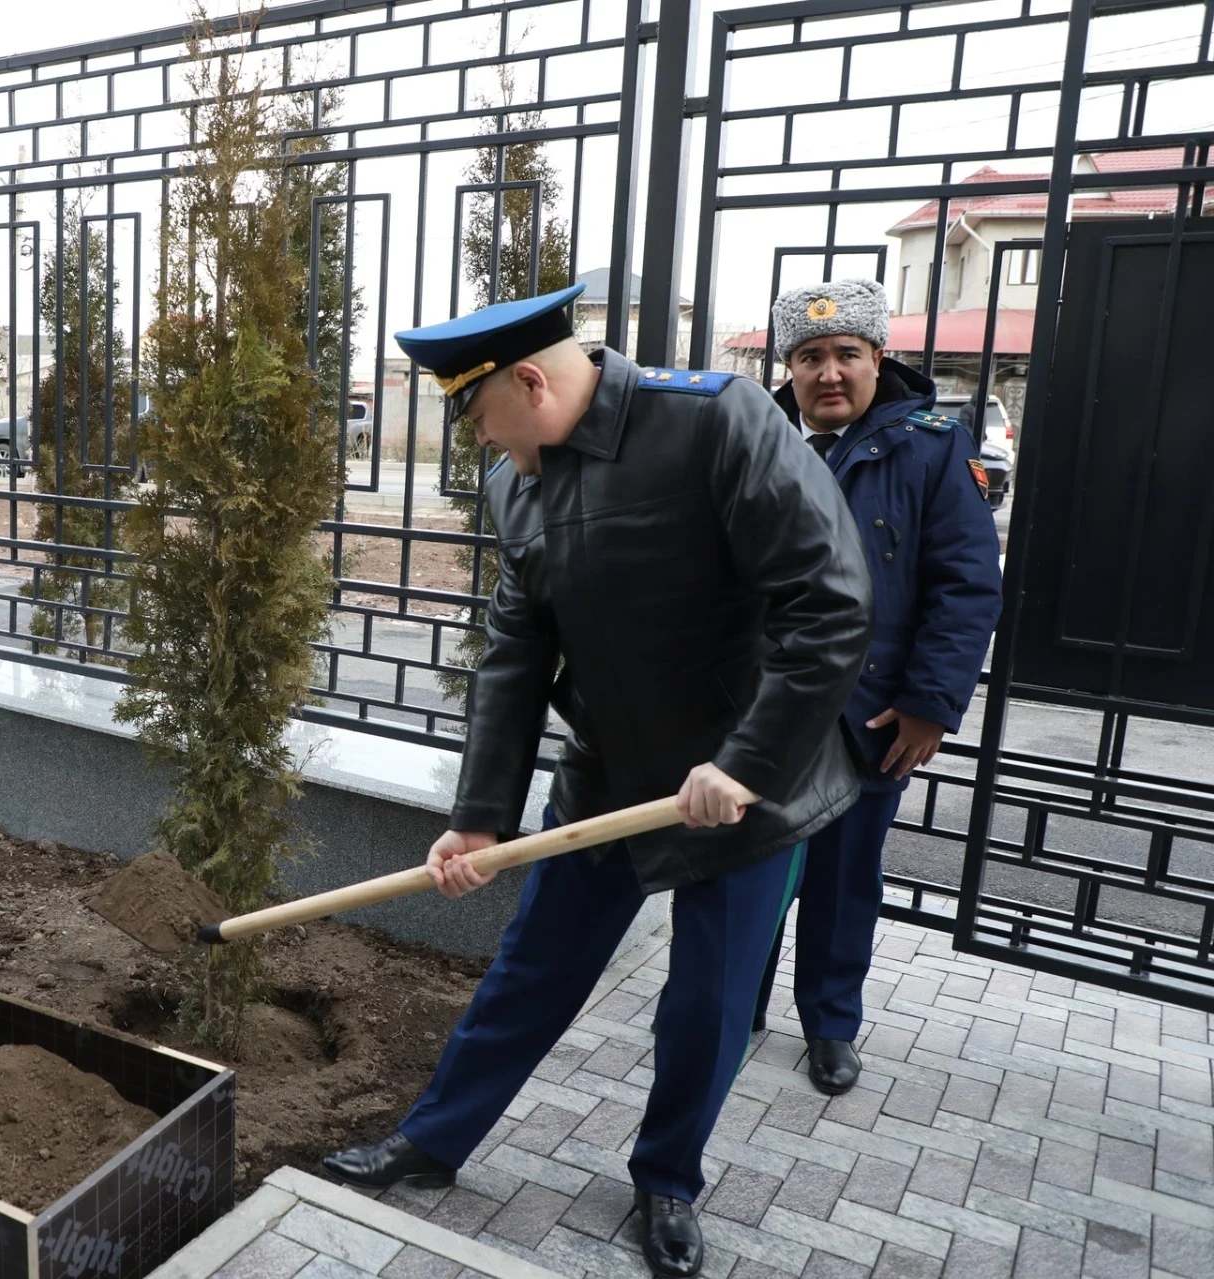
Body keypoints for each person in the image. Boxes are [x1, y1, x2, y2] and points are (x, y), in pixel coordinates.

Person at [320, 284, 872, 1278]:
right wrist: (479, 818)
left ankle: (666, 1180)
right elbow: (515, 653)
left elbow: (828, 603)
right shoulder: (518, 486)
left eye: (481, 418)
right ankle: (433, 1140)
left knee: (706, 1002)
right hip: (610, 771)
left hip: (742, 781)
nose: (483, 446)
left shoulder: (716, 423)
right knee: (532, 966)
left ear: (532, 382)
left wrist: (746, 763)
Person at [762, 280, 1002, 1094]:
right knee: (743, 865)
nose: (829, 372)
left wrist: (932, 704)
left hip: (867, 713)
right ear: (789, 366)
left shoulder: (931, 448)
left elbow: (966, 586)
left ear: (878, 358)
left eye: (846, 354)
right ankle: (734, 1000)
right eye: (810, 356)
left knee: (843, 878)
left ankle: (830, 1024)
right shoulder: (753, 439)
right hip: (759, 707)